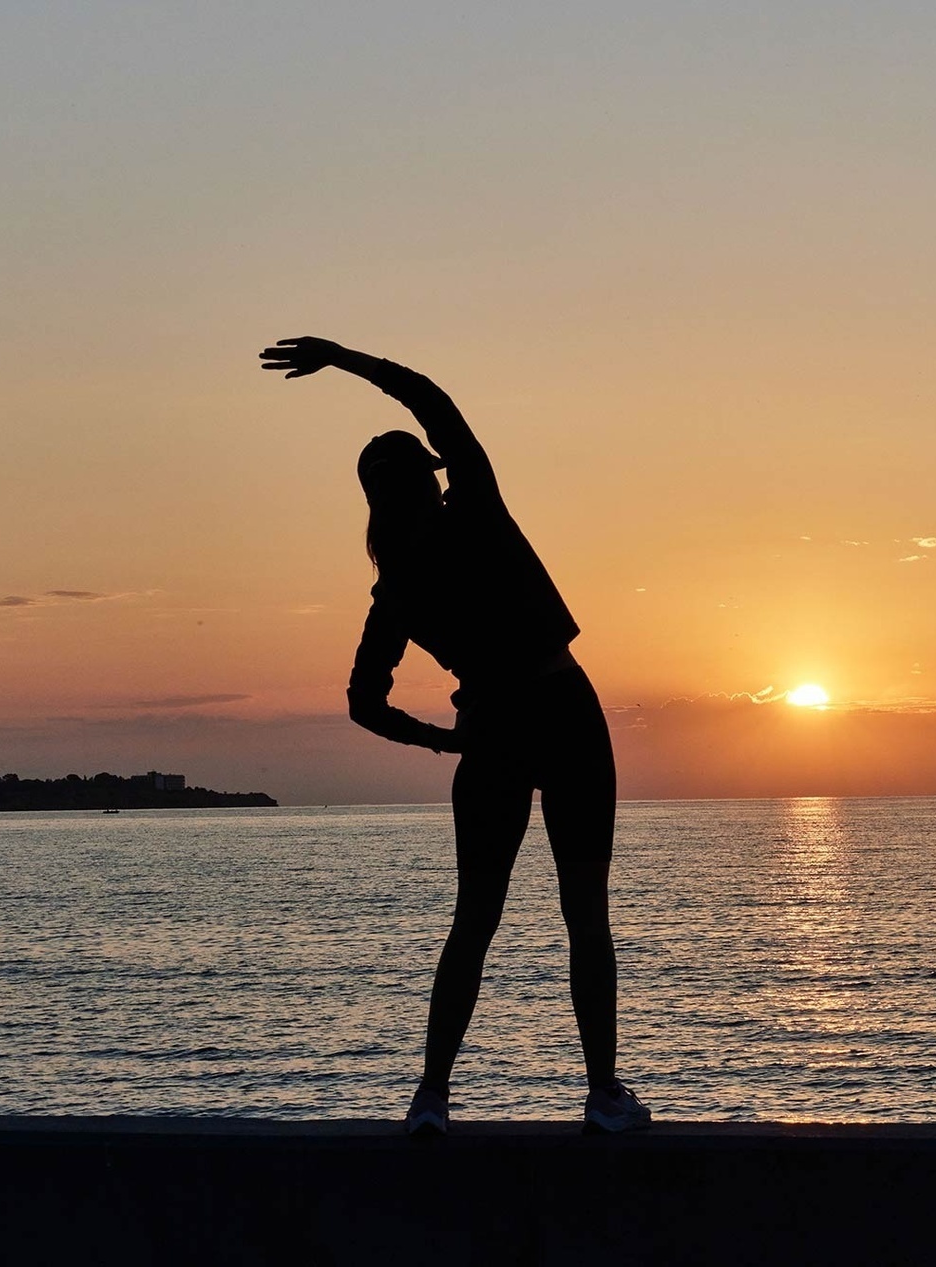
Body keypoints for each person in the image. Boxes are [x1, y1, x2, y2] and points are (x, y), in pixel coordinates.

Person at [259, 336, 649, 1136]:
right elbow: (430, 398)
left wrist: (444, 742)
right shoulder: (474, 507)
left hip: (492, 735)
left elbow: (364, 702)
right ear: (426, 485)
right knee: (586, 915)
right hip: (564, 713)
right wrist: (343, 359)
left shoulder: (396, 587)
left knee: (476, 919)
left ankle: (432, 1097)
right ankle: (603, 1094)